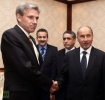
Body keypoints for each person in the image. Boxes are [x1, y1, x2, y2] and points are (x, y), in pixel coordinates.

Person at [1, 2, 57, 100]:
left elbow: (38, 67)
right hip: (16, 94)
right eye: (30, 17)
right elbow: (25, 67)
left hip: (32, 92)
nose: (35, 21)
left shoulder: (31, 39)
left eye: (37, 18)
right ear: (19, 17)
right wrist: (49, 83)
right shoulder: (10, 35)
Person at [56, 26, 105, 100]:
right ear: (77, 39)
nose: (85, 39)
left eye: (88, 36)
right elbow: (63, 76)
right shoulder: (69, 56)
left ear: (92, 37)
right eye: (82, 36)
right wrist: (57, 84)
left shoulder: (101, 56)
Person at [36, 28, 58, 100]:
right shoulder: (32, 49)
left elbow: (54, 69)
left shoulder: (54, 50)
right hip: (35, 85)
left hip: (48, 86)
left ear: (47, 38)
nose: (42, 39)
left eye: (44, 37)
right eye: (40, 37)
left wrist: (52, 89)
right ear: (37, 38)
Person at [54, 31, 76, 100]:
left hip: (75, 92)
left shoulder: (79, 54)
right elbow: (54, 73)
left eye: (68, 39)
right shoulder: (57, 54)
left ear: (74, 40)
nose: (66, 41)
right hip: (60, 92)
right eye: (64, 39)